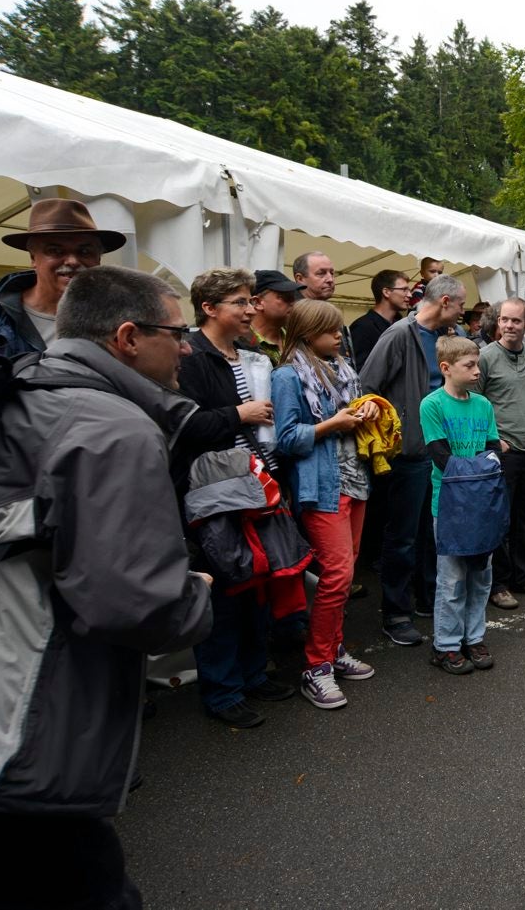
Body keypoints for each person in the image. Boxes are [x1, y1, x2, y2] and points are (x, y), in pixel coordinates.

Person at [0, 265, 212, 908]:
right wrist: (199, 592)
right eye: (178, 332)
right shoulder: (113, 428)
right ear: (128, 338)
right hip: (7, 730)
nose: (187, 347)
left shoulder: (27, 385)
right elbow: (136, 602)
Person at [175, 268, 295, 729]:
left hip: (255, 484)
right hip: (215, 493)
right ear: (209, 308)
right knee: (226, 589)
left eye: (251, 302)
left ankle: (252, 672)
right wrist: (237, 413)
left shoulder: (245, 353)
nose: (251, 310)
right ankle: (223, 690)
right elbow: (183, 426)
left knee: (256, 584)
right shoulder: (189, 355)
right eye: (241, 303)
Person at [272, 300, 380, 709]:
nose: (339, 336)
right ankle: (315, 666)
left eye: (339, 329)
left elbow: (355, 409)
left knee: (345, 573)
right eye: (330, 330)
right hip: (321, 484)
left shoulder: (342, 370)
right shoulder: (286, 376)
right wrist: (333, 424)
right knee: (336, 575)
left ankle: (334, 651)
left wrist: (367, 408)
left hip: (354, 479)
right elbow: (286, 439)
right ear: (306, 332)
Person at [360, 273, 467, 644]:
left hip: (438, 453)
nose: (464, 311)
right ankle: (395, 613)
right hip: (407, 455)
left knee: (430, 536)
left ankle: (425, 599)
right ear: (445, 303)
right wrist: (394, 428)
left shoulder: (443, 339)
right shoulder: (398, 335)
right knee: (402, 537)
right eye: (462, 304)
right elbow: (367, 386)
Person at [0, 198, 122, 364]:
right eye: (56, 251)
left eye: (84, 252)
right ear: (33, 258)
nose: (72, 261)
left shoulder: (123, 317)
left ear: (98, 259)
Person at [421, 335, 505, 675]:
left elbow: (495, 450)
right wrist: (483, 465)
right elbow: (442, 459)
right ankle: (446, 645)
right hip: (451, 505)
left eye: (477, 364)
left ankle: (474, 637)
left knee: (480, 576)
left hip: (482, 504)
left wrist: (482, 463)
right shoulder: (433, 405)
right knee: (452, 578)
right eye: (469, 365)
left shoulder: (483, 405)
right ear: (446, 368)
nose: (476, 370)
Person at [477, 298, 525, 609]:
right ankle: (497, 584)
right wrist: (494, 440)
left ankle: (523, 577)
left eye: (516, 321)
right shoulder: (484, 357)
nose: (509, 326)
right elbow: (475, 402)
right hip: (503, 452)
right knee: (500, 519)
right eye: (504, 320)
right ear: (498, 323)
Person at [350, 269, 411, 371]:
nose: (410, 295)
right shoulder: (362, 328)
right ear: (386, 292)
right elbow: (360, 371)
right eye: (404, 290)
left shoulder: (404, 326)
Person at [249, 269, 305, 364]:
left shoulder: (298, 339)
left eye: (293, 297)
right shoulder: (240, 343)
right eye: (285, 297)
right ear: (257, 302)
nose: (293, 302)